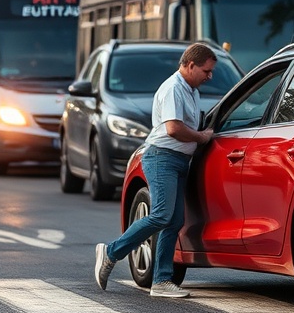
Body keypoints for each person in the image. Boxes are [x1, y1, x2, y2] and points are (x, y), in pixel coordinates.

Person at [92, 42, 217, 298]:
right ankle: (111, 252)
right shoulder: (173, 88)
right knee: (161, 216)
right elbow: (173, 128)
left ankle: (161, 281)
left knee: (175, 220)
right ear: (190, 65)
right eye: (206, 70)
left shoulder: (191, 89)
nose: (209, 76)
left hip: (179, 160)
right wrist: (202, 137)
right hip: (163, 158)